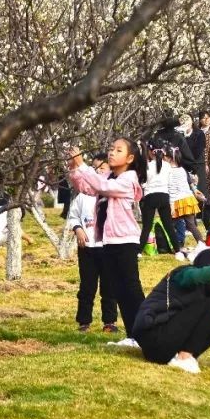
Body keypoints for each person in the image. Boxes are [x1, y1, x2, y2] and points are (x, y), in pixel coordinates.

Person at [67, 138, 148, 348]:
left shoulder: (128, 178)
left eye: (118, 150)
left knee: (131, 289)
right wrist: (75, 168)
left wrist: (83, 165)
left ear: (130, 158)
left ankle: (146, 332)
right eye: (110, 149)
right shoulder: (109, 176)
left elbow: (102, 186)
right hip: (109, 242)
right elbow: (86, 187)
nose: (111, 153)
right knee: (119, 290)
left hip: (125, 241)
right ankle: (133, 336)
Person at [132, 248, 210, 373]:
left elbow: (208, 318)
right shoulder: (184, 273)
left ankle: (181, 357)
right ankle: (184, 358)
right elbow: (195, 277)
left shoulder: (205, 291)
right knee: (209, 304)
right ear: (204, 264)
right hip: (153, 336)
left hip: (167, 347)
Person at [68, 153, 119, 333]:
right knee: (87, 287)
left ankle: (110, 321)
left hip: (107, 247)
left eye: (102, 169)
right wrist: (78, 228)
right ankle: (84, 322)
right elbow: (73, 215)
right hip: (88, 248)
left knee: (109, 287)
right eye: (94, 168)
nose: (97, 173)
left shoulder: (111, 193)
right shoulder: (83, 195)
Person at [140, 138, 177, 254]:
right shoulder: (168, 166)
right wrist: (172, 202)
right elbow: (171, 184)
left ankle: (139, 251)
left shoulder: (147, 166)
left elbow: (143, 183)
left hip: (150, 196)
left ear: (151, 152)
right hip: (164, 196)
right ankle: (178, 250)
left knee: (147, 226)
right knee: (168, 225)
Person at [167, 148, 204, 254]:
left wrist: (172, 206)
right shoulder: (182, 170)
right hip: (188, 199)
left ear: (170, 158)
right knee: (191, 225)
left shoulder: (170, 172)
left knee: (172, 224)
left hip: (178, 201)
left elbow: (172, 190)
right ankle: (201, 243)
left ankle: (177, 246)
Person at [181, 112, 208, 200]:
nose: (185, 122)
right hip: (183, 166)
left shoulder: (199, 134)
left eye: (187, 119)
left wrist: (190, 163)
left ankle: (201, 214)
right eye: (182, 120)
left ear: (192, 121)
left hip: (198, 165)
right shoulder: (179, 135)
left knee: (199, 194)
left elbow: (198, 150)